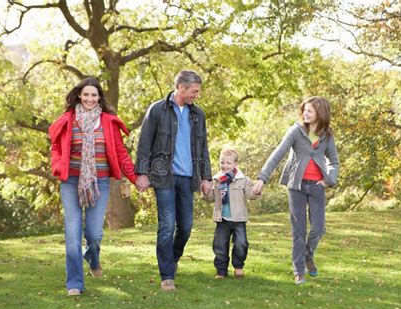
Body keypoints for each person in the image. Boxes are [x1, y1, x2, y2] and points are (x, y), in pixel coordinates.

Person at [49, 77, 138, 296]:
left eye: (94, 95)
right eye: (86, 94)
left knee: (94, 233)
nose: (90, 98)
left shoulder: (107, 121)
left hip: (100, 182)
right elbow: (56, 148)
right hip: (71, 182)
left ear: (99, 97)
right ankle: (74, 283)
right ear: (79, 95)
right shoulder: (68, 120)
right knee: (72, 233)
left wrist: (136, 178)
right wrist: (58, 167)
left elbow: (120, 153)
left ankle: (92, 255)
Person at [135, 70, 212, 291]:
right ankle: (167, 275)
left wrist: (206, 177)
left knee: (186, 227)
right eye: (194, 91)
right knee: (167, 225)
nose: (196, 96)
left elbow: (203, 147)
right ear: (180, 87)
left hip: (188, 178)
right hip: (163, 177)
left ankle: (173, 257)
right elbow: (144, 144)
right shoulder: (157, 110)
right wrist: (142, 172)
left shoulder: (198, 115)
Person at [253, 96, 339, 285]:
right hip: (296, 186)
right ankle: (299, 270)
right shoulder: (296, 131)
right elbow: (277, 154)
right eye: (304, 110)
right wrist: (262, 178)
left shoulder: (327, 136)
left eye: (309, 111)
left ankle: (308, 255)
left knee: (318, 228)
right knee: (298, 231)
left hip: (317, 187)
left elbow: (333, 162)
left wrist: (329, 180)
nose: (305, 114)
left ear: (320, 113)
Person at [203, 147, 260, 279]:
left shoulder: (242, 179)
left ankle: (238, 266)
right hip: (222, 218)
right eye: (222, 163)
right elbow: (211, 198)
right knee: (220, 245)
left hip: (238, 218)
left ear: (235, 164)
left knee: (241, 243)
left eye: (228, 163)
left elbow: (250, 193)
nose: (225, 166)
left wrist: (256, 192)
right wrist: (206, 192)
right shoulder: (217, 179)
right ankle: (221, 271)